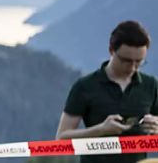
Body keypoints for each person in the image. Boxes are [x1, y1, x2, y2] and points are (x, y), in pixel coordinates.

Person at [56, 20, 158, 163]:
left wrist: (155, 129)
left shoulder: (151, 85)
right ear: (111, 50)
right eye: (126, 61)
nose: (132, 67)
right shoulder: (84, 86)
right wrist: (101, 129)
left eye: (139, 62)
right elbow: (61, 139)